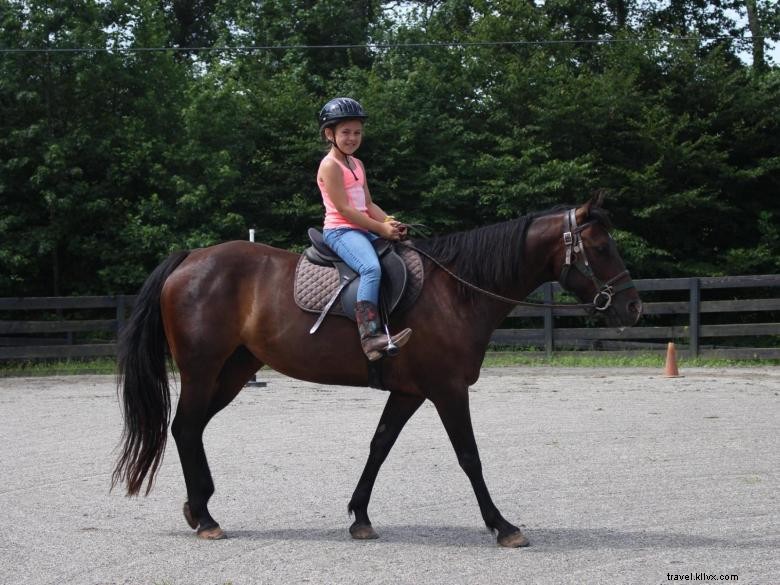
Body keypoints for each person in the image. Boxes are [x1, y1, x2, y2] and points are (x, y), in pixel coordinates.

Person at [316, 97, 412, 361]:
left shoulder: (356, 164)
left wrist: (390, 221)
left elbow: (367, 203)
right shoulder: (330, 165)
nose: (352, 138)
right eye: (345, 132)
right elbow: (346, 210)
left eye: (357, 132)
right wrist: (380, 229)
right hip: (341, 231)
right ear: (329, 134)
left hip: (362, 227)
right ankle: (369, 337)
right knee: (371, 268)